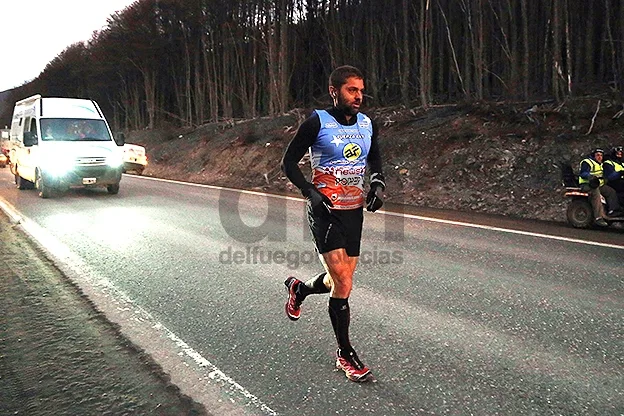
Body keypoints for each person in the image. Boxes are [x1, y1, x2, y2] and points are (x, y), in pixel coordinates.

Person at [281, 65, 385, 382]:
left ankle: (299, 289)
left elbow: (374, 158)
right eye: (352, 90)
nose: (358, 96)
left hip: (354, 210)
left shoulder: (367, 124)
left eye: (361, 90)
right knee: (343, 282)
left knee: (337, 280)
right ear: (334, 91)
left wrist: (378, 183)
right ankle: (345, 353)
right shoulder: (317, 123)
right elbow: (288, 162)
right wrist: (310, 193)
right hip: (325, 210)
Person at [578, 148, 621, 226]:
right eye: (597, 155)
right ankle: (598, 217)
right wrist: (590, 176)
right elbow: (583, 173)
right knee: (596, 193)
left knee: (611, 191)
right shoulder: (587, 162)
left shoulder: (601, 164)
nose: (600, 157)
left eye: (601, 155)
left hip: (598, 185)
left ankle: (613, 211)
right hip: (586, 185)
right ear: (593, 156)